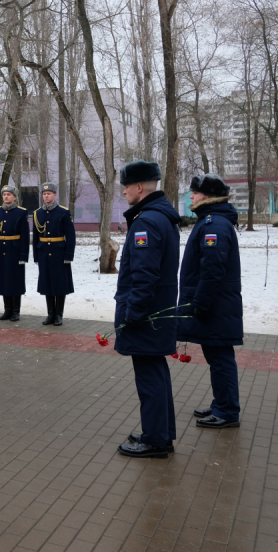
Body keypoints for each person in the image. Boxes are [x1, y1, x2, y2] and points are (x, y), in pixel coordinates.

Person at [114, 160, 181, 459]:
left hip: (147, 314)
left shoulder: (147, 222)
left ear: (139, 187)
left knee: (149, 377)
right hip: (157, 312)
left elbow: (144, 274)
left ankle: (155, 440)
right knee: (156, 371)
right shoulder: (160, 217)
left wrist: (134, 312)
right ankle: (161, 433)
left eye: (126, 186)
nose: (124, 192)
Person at [178, 173, 243, 430]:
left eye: (194, 192)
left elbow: (212, 270)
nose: (191, 196)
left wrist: (200, 304)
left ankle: (227, 411)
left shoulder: (214, 225)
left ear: (207, 195)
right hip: (216, 305)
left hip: (215, 306)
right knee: (216, 355)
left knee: (220, 357)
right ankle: (222, 404)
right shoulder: (210, 221)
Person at [33, 182, 75, 326]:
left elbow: (70, 235)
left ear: (55, 195)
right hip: (43, 252)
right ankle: (50, 313)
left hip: (59, 252)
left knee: (59, 284)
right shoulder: (38, 213)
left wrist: (69, 255)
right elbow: (36, 236)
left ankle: (59, 314)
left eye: (49, 193)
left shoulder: (63, 212)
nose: (46, 196)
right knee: (47, 284)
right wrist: (36, 256)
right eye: (44, 194)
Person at [0, 184, 29, 321]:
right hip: (0, 249)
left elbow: (25, 236)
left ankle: (16, 311)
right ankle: (7, 309)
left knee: (15, 281)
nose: (6, 196)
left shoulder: (21, 212)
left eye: (9, 194)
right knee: (3, 280)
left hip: (15, 250)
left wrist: (24, 255)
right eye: (4, 194)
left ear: (15, 197)